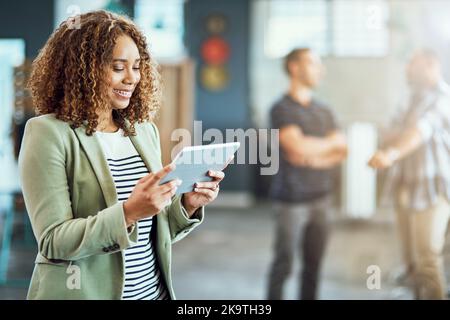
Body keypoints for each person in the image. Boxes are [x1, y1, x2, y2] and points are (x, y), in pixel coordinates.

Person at [18, 10, 225, 300]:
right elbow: (54, 242)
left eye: (137, 67)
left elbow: (155, 231)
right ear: (83, 69)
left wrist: (188, 205)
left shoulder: (143, 131)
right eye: (118, 67)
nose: (132, 78)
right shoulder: (47, 133)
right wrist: (128, 213)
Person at [368, 49, 450, 300]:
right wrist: (402, 133)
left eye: (411, 64)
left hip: (432, 190)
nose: (406, 69)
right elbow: (387, 131)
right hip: (404, 187)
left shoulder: (443, 98)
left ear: (429, 65)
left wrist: (392, 153)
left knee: (428, 259)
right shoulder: (409, 99)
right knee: (411, 263)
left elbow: (419, 132)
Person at [267, 48, 347, 300]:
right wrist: (326, 146)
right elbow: (295, 147)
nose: (320, 69)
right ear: (294, 67)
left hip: (321, 199)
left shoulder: (324, 110)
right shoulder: (281, 109)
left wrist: (311, 156)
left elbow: (343, 149)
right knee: (284, 264)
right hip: (290, 201)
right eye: (313, 63)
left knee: (313, 267)